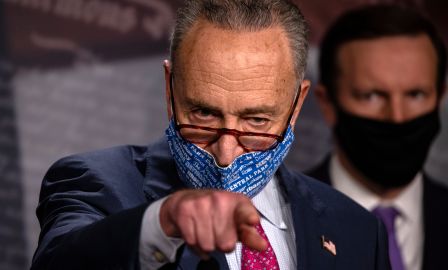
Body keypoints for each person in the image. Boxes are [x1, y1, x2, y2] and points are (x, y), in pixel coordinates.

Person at [31, 1, 390, 269]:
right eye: (203, 114)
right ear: (170, 88)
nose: (226, 153)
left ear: (296, 106)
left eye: (257, 121)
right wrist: (163, 222)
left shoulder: (357, 230)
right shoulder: (94, 182)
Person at [307, 4, 448, 270]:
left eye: (415, 95)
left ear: (439, 96)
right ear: (327, 104)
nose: (397, 117)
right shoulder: (282, 221)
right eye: (371, 96)